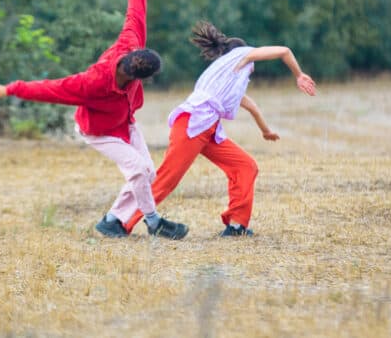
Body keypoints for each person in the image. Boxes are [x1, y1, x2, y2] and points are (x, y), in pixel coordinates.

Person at [0, 0, 188, 240]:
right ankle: (153, 222)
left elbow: (135, 11)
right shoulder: (93, 82)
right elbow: (52, 88)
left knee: (146, 173)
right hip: (98, 130)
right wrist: (12, 89)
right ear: (138, 77)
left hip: (124, 123)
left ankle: (112, 220)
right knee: (138, 169)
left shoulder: (131, 43)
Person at [121, 21, 317, 237]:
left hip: (208, 128)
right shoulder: (240, 56)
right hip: (192, 124)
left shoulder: (226, 77)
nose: (251, 71)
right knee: (167, 179)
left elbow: (251, 106)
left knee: (245, 166)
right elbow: (284, 51)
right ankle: (121, 222)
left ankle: (236, 225)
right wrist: (299, 74)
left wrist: (266, 131)